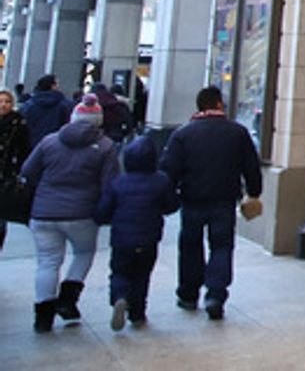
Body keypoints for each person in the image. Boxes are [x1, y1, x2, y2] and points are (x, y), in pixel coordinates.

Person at [159, 86, 262, 320]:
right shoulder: (237, 132)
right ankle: (216, 293)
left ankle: (188, 292)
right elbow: (251, 167)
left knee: (190, 246)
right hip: (224, 200)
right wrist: (254, 192)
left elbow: (168, 170)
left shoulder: (183, 134)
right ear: (218, 104)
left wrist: (169, 197)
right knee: (222, 246)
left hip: (192, 199)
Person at [21, 94, 120, 332]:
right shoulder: (105, 147)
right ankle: (68, 299)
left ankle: (43, 315)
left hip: (44, 211)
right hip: (82, 213)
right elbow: (110, 184)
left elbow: (28, 171)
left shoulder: (49, 142)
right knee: (84, 253)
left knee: (47, 262)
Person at [95, 134, 180, 330]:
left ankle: (120, 296)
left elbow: (102, 212)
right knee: (142, 275)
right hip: (149, 238)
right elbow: (172, 205)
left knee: (120, 271)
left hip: (122, 239)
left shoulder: (118, 183)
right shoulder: (161, 181)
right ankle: (137, 312)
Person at [0, 88, 34, 250]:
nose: (3, 105)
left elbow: (24, 149)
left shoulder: (18, 123)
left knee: (2, 212)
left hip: (6, 175)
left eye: (7, 102)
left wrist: (21, 173)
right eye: (1, 102)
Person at [20, 75, 72, 145]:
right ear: (53, 86)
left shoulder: (28, 105)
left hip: (30, 144)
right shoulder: (64, 104)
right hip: (55, 145)